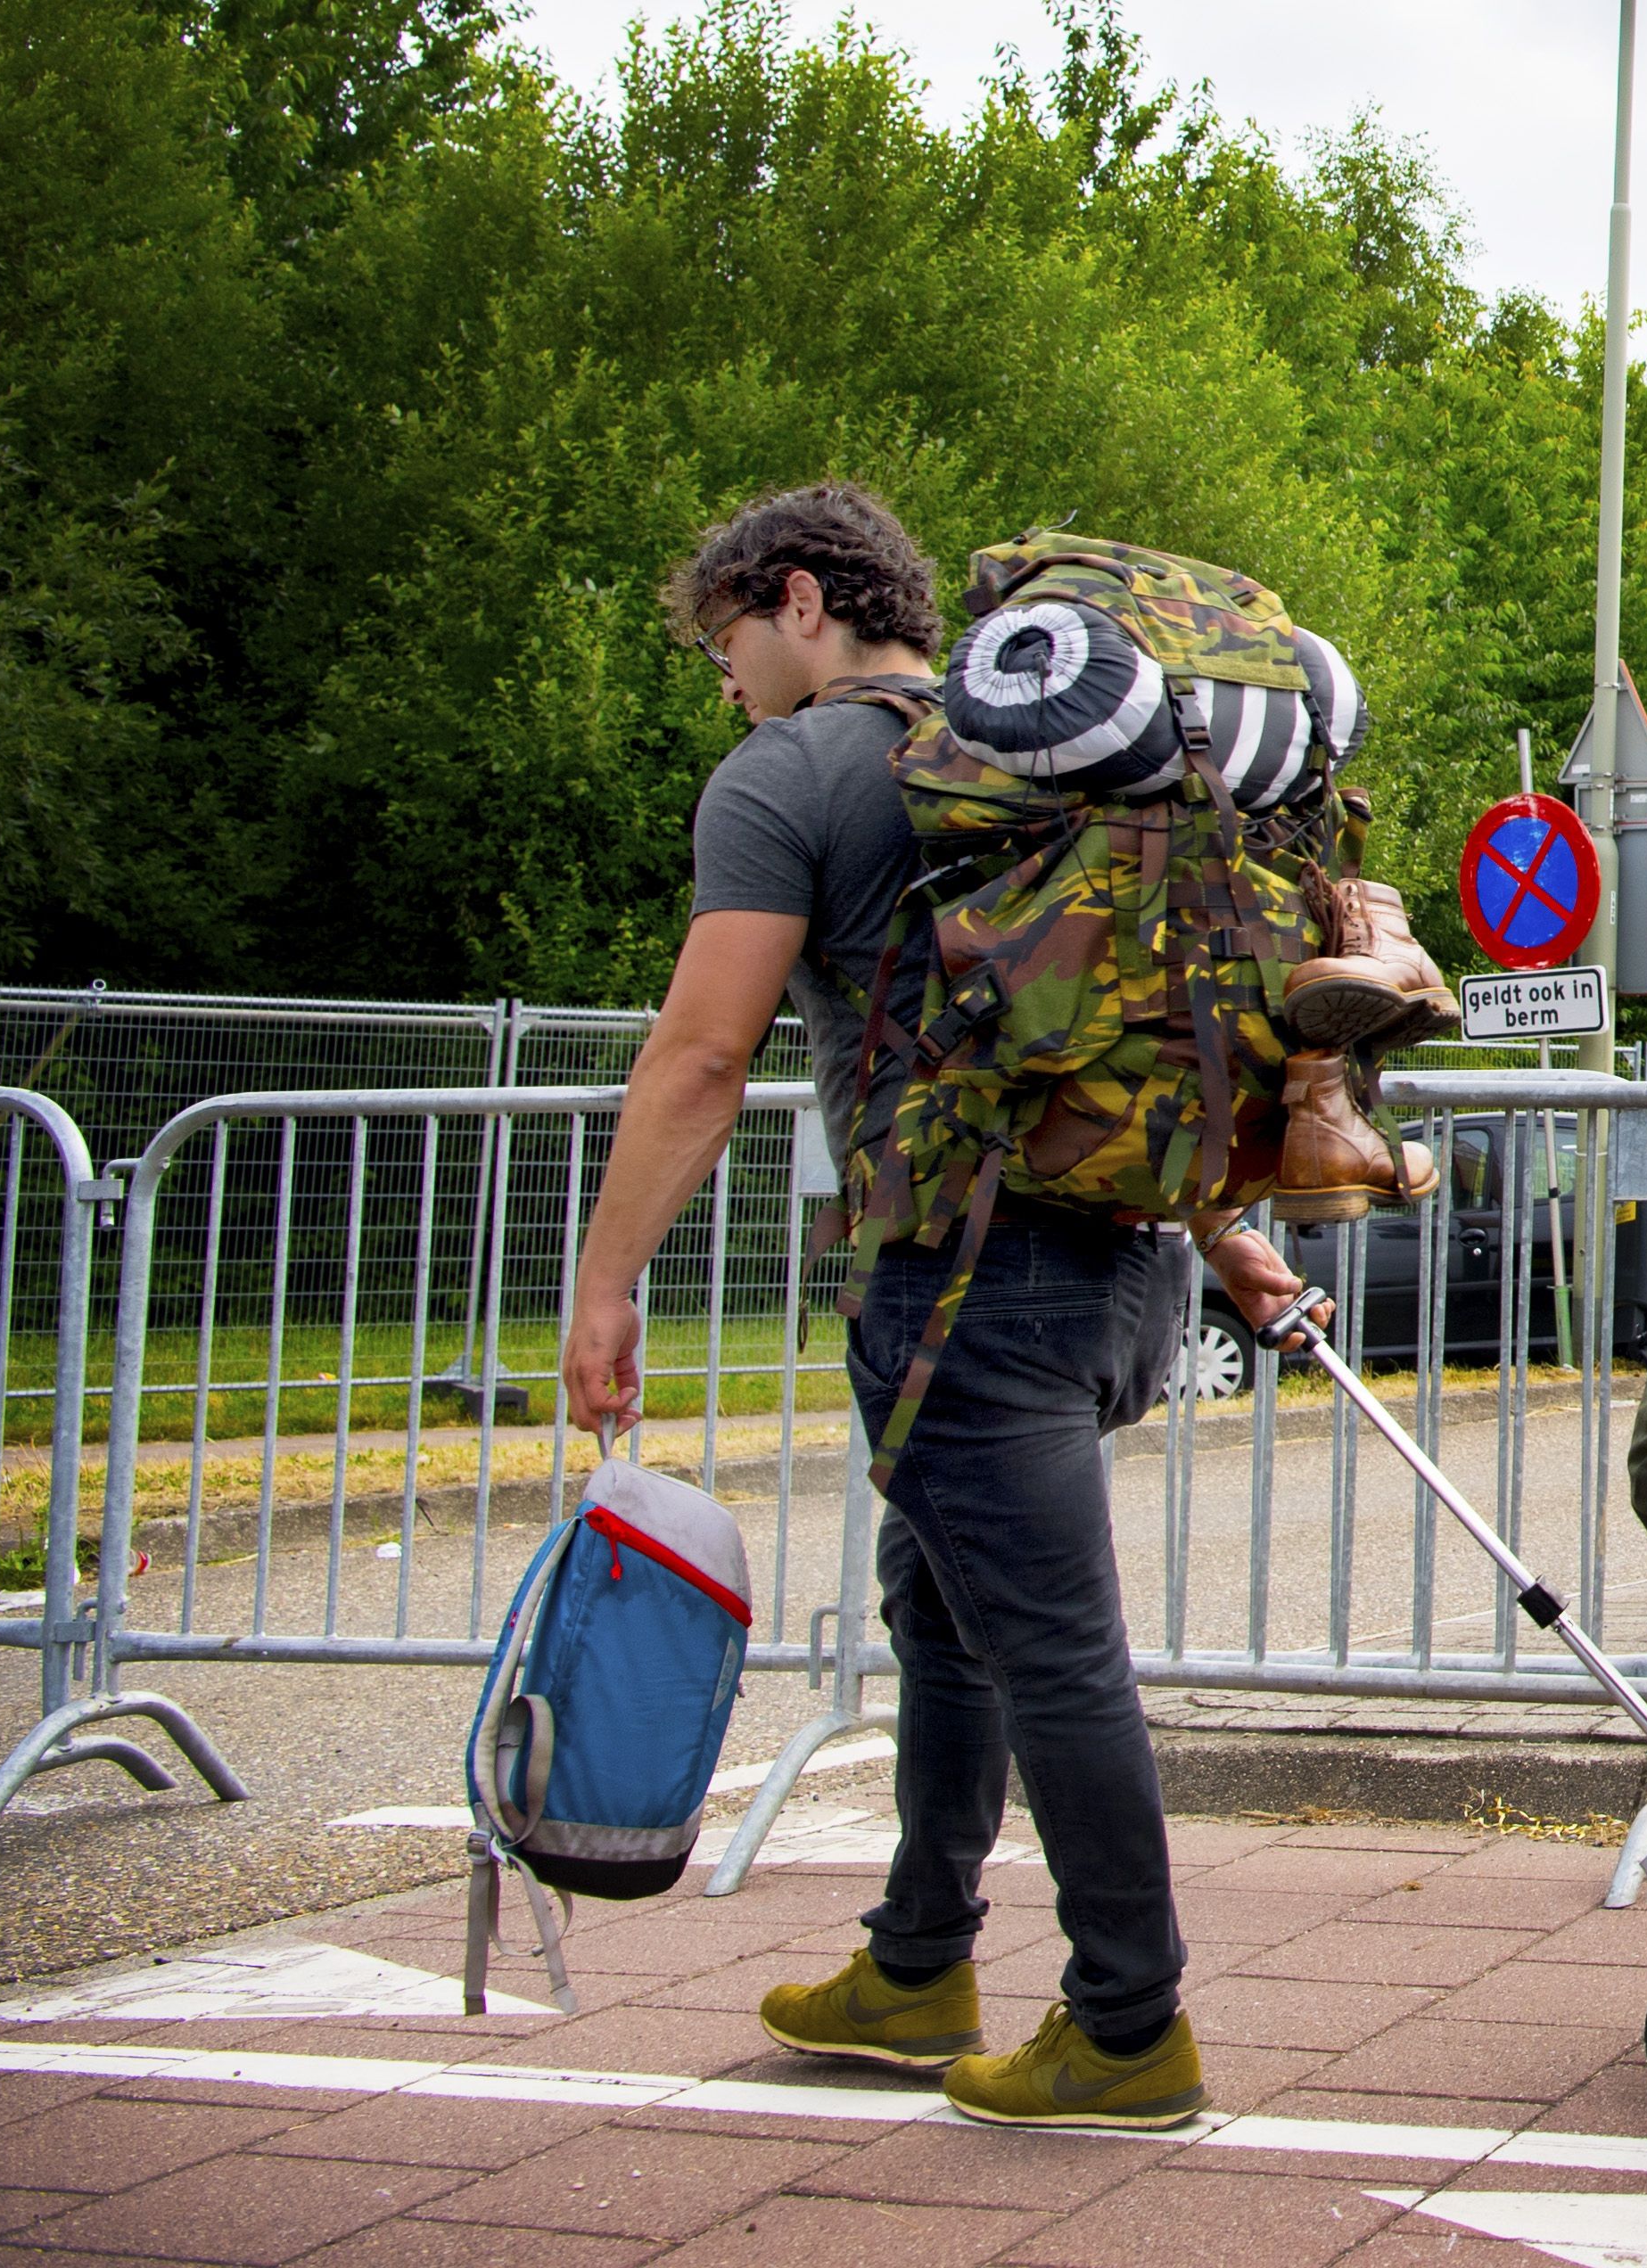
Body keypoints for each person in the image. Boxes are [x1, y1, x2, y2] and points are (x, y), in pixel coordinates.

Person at [557, 482, 1329, 2132]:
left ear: (800, 599)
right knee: (947, 1612)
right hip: (1126, 1264)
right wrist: (1227, 1223)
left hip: (968, 1287)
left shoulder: (799, 772)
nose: (727, 679)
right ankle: (919, 1957)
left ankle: (1129, 2027)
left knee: (1052, 1651)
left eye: (726, 641)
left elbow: (704, 1053)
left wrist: (607, 1277)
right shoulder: (1049, 754)